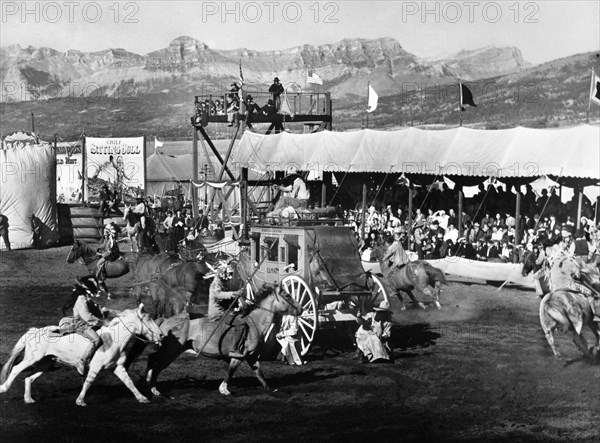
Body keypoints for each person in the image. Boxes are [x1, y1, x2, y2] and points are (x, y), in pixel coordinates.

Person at [71, 277, 109, 375]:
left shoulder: (87, 298)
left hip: (90, 323)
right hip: (82, 326)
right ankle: (82, 361)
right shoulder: (81, 301)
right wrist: (103, 322)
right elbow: (88, 317)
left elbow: (97, 309)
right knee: (96, 340)